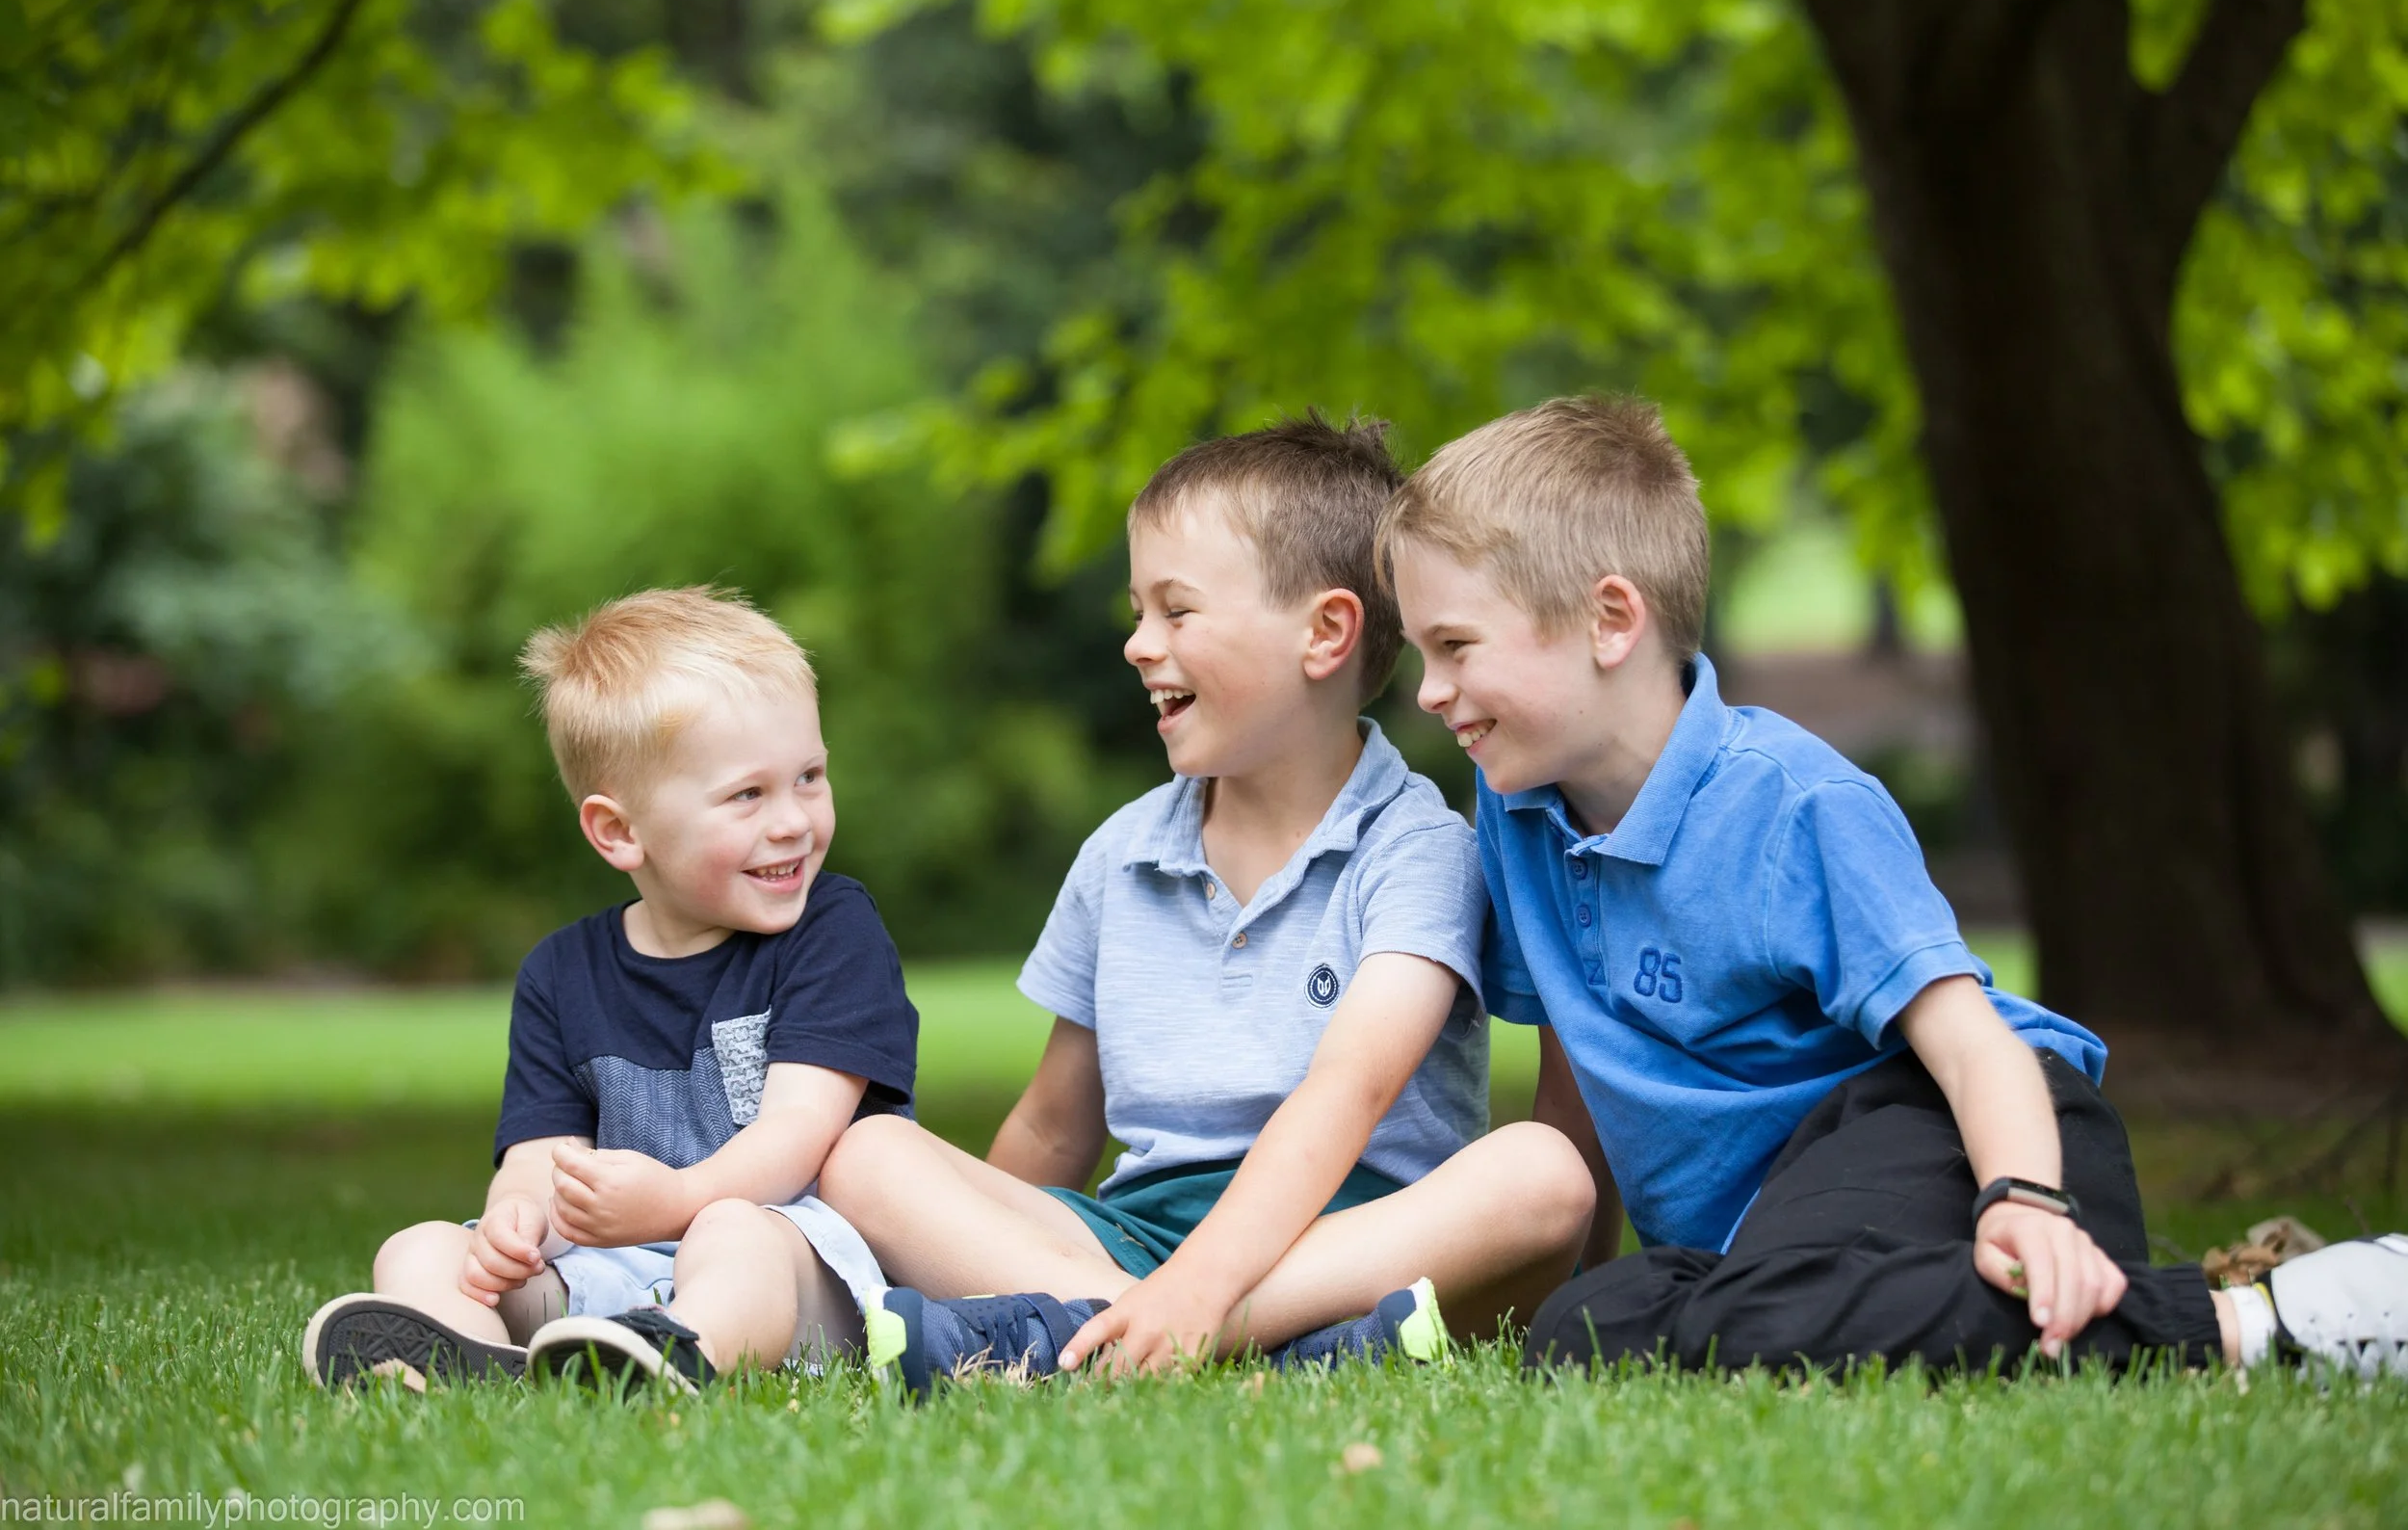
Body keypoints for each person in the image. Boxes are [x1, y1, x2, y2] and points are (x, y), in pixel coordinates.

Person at [1380, 392, 2408, 1380]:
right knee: (1593, 1325)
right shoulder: (1515, 808)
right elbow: (1580, 1074)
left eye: (1456, 646)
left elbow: (1970, 1045)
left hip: (1962, 1136)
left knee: (1730, 1314)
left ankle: (2267, 1317)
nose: (1428, 691)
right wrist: (1585, 1276)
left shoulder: (1795, 808)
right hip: (1782, 1244)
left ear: (1610, 619)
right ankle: (1924, 1314)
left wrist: (2022, 1200)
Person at [816, 413, 1596, 1397]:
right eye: (1137, 611)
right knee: (864, 1150)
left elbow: (1345, 1092)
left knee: (1540, 1172)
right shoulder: (1121, 854)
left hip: (1351, 1239)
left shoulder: (1417, 847)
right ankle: (1149, 1329)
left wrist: (1198, 1290)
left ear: (1325, 632)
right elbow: (1057, 1127)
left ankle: (1123, 1337)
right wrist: (980, 1231)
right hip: (1135, 1235)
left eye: (1176, 611)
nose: (1140, 645)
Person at [302, 587, 917, 1394]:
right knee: (419, 1247)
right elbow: (540, 1157)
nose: (794, 820)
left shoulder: (832, 929)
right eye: (748, 794)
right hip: (614, 1272)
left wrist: (678, 1200)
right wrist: (517, 1220)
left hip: (797, 1260)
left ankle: (674, 1352)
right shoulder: (560, 973)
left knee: (731, 1232)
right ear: (619, 832)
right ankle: (465, 1364)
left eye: (809, 776)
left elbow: (800, 1135)